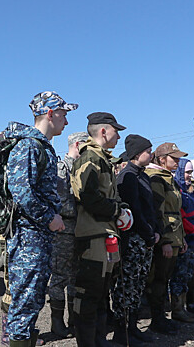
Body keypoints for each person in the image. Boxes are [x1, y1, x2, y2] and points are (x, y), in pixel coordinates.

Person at [3, 91, 75, 347]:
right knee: (25, 300)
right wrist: (49, 217)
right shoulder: (29, 146)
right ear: (50, 113)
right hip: (29, 237)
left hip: (38, 236)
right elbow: (20, 191)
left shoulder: (41, 146)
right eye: (64, 115)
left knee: (32, 298)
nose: (66, 122)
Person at [70, 112, 128, 347]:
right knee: (89, 295)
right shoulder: (90, 159)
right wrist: (117, 211)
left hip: (104, 235)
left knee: (102, 293)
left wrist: (121, 209)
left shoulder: (102, 159)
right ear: (103, 131)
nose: (119, 136)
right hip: (93, 237)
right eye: (116, 131)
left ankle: (99, 340)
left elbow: (106, 196)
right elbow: (88, 197)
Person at [110, 134, 157, 346]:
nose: (152, 154)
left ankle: (132, 328)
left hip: (145, 239)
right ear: (138, 154)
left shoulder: (142, 175)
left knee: (137, 286)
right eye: (148, 151)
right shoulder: (127, 176)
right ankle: (123, 333)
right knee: (126, 287)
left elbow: (150, 209)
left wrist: (155, 232)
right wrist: (148, 234)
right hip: (133, 241)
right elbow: (134, 210)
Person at [145, 142, 188, 335]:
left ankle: (161, 318)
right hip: (166, 237)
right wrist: (165, 241)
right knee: (159, 280)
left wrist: (182, 238)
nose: (178, 161)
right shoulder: (156, 179)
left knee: (165, 279)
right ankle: (157, 319)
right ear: (162, 159)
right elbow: (157, 212)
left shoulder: (167, 178)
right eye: (174, 157)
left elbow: (176, 212)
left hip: (174, 234)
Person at [48, 131, 88, 338]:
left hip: (81, 228)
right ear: (78, 145)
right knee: (59, 276)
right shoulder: (58, 169)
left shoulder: (84, 169)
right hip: (63, 228)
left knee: (76, 275)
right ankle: (57, 322)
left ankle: (74, 318)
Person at [168, 159, 194, 323]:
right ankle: (177, 310)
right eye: (187, 172)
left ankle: (185, 306)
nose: (190, 176)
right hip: (184, 239)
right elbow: (182, 217)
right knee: (179, 276)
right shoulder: (177, 191)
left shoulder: (191, 192)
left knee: (188, 275)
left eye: (191, 172)